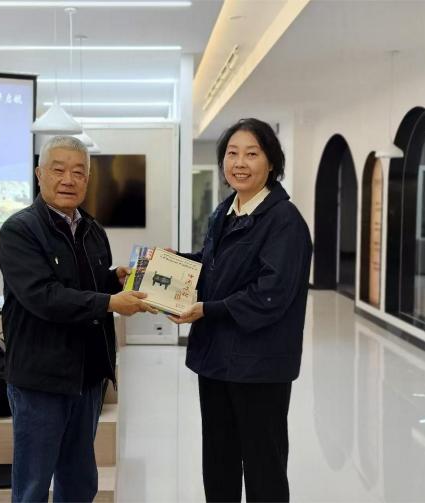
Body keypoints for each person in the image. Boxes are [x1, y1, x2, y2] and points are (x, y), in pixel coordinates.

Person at [0, 135, 155, 503]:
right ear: (39, 174)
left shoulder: (93, 230)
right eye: (58, 170)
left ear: (88, 180)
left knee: (79, 479)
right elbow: (44, 297)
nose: (68, 179)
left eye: (78, 172)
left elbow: (86, 285)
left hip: (87, 375)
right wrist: (110, 302)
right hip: (41, 379)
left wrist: (114, 279)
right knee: (33, 484)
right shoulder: (20, 230)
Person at [169, 118, 312, 502]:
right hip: (217, 360)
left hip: (259, 365)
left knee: (263, 466)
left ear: (271, 162)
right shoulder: (225, 211)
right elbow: (213, 267)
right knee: (219, 460)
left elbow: (271, 294)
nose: (240, 163)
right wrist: (171, 264)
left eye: (252, 153)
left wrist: (207, 310)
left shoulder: (284, 221)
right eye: (232, 153)